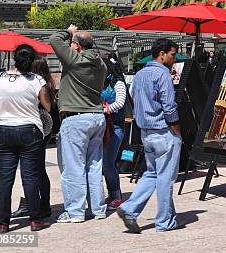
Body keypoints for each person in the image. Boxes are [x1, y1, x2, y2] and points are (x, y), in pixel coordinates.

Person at [117, 39, 183, 233]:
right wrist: (177, 130)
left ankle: (130, 208)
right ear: (162, 54)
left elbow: (135, 100)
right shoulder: (162, 75)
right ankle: (164, 221)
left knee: (152, 173)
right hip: (163, 131)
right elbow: (169, 106)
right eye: (172, 55)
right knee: (165, 178)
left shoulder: (140, 74)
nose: (174, 59)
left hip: (146, 132)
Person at [50, 25, 107, 223]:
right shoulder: (101, 64)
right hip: (97, 117)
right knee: (94, 165)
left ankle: (75, 211)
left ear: (77, 46)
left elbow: (54, 40)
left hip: (76, 119)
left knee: (73, 167)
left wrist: (68, 30)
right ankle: (98, 208)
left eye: (72, 43)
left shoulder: (75, 61)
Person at [0, 45, 52, 233]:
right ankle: (35, 219)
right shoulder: (37, 80)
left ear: (14, 59)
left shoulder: (0, 78)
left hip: (4, 130)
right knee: (30, 177)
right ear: (33, 60)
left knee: (5, 178)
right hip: (29, 130)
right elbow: (47, 106)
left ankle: (3, 222)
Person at [10, 57, 59, 221]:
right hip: (43, 130)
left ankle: (33, 206)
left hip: (33, 130)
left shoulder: (35, 85)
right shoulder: (48, 84)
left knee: (31, 171)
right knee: (38, 170)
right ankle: (41, 205)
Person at [100, 54, 128, 211]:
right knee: (103, 164)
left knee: (108, 163)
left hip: (115, 127)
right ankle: (111, 194)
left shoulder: (118, 83)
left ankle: (116, 196)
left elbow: (119, 103)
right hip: (102, 127)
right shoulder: (100, 82)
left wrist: (104, 109)